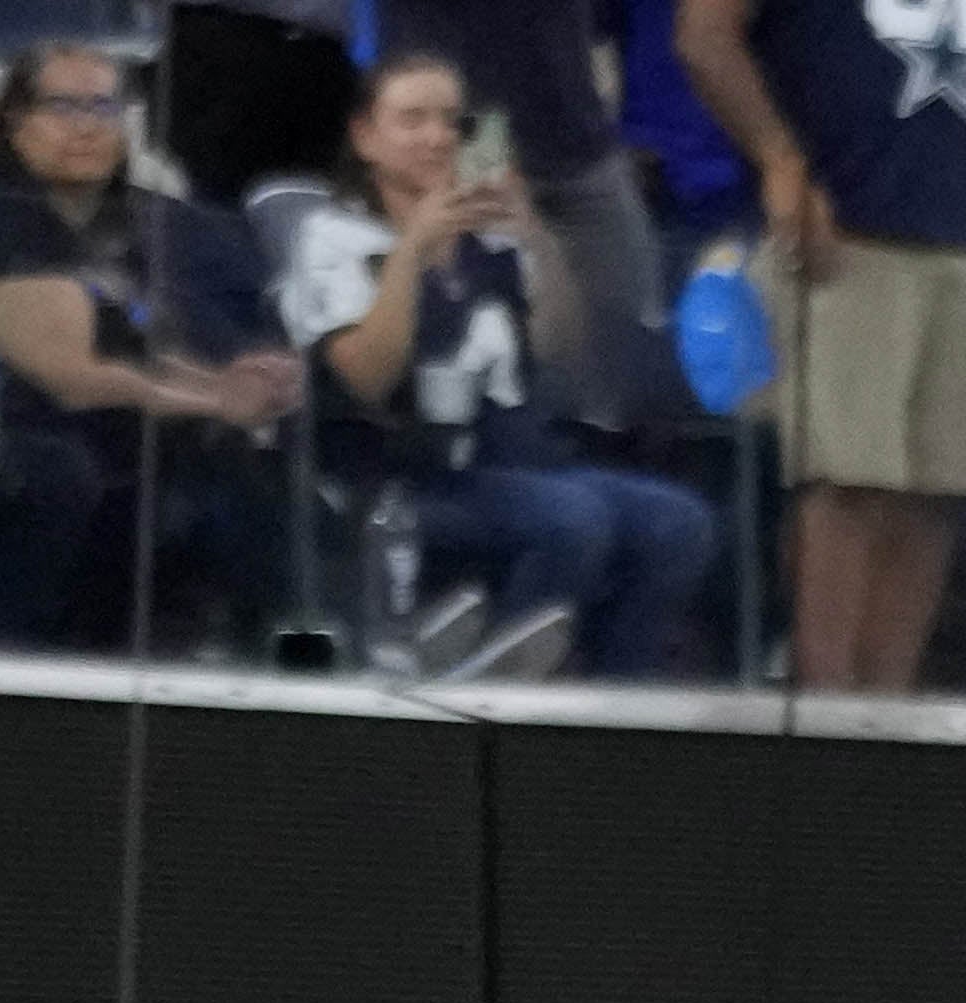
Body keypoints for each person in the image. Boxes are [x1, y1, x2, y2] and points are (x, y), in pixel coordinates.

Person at [286, 45, 723, 680]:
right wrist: (413, 252)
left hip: (500, 464)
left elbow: (560, 354)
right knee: (572, 519)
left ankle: (613, 693)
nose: (438, 138)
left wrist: (535, 240)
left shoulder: (489, 240)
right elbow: (363, 379)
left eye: (453, 123)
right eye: (413, 120)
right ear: (365, 137)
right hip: (390, 477)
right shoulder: (331, 236)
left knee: (678, 521)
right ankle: (500, 683)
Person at [674, 0, 966, 691]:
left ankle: (885, 727)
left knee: (935, 495)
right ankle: (824, 730)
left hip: (962, 224)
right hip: (845, 225)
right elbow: (703, 35)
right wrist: (779, 158)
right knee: (847, 487)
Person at [0, 44, 309, 659]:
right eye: (63, 106)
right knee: (100, 467)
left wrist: (230, 382)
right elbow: (69, 376)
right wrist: (214, 400)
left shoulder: (130, 227)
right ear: (16, 119)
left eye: (103, 106)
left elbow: (141, 348)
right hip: (14, 427)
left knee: (252, 465)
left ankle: (288, 654)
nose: (87, 126)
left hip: (122, 431)